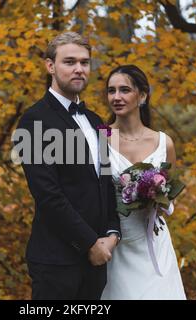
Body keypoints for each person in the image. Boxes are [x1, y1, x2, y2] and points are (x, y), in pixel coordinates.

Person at [13, 32, 121, 300]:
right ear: (50, 66)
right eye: (69, 62)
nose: (79, 69)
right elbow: (47, 194)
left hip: (97, 263)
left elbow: (105, 184)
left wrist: (112, 232)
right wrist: (88, 243)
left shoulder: (97, 122)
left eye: (84, 63)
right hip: (56, 261)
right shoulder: (34, 121)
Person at [101, 65, 186, 300]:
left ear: (142, 95)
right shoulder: (99, 139)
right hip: (117, 244)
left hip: (154, 243)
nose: (116, 97)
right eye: (111, 91)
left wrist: (155, 197)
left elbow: (168, 193)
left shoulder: (163, 142)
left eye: (124, 90)